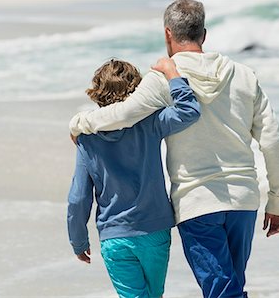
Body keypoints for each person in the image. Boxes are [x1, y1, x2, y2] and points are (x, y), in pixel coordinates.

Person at [68, 0, 279, 298]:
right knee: (230, 286)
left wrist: (81, 123)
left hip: (197, 203)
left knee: (223, 291)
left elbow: (123, 114)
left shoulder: (161, 79)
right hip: (244, 201)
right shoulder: (244, 75)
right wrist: (277, 201)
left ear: (167, 33)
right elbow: (272, 140)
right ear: (204, 34)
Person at [67, 58, 201, 298]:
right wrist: (174, 77)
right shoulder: (151, 122)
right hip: (155, 230)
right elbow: (188, 112)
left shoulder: (87, 140)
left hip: (114, 235)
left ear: (97, 94)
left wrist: (78, 240)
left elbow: (78, 197)